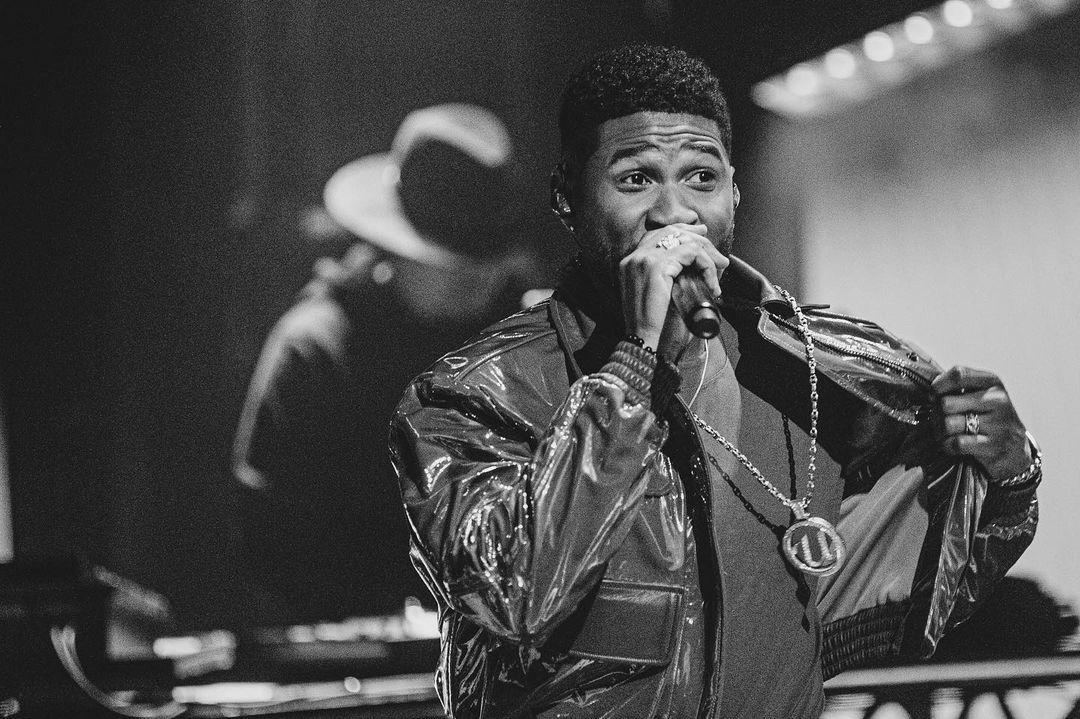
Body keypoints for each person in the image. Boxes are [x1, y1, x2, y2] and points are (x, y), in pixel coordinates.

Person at [388, 46, 1042, 718]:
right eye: (636, 178)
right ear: (568, 199)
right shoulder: (471, 393)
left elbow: (919, 587)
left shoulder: (810, 371)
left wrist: (1005, 475)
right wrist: (636, 366)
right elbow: (511, 594)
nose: (675, 211)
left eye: (700, 176)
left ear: (733, 193)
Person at [233, 104, 537, 624]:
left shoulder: (525, 342)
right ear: (392, 250)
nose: (483, 281)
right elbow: (272, 543)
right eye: (457, 268)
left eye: (488, 266)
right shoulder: (315, 350)